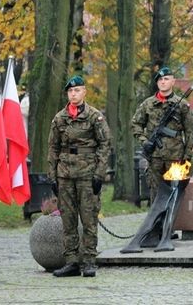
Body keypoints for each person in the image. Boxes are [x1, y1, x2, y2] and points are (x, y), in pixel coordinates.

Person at [48, 75, 111, 278]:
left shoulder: (95, 117)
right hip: (65, 174)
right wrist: (52, 177)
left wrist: (100, 174)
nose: (73, 94)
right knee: (68, 219)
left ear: (84, 92)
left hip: (87, 173)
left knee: (89, 218)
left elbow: (104, 145)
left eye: (77, 90)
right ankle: (72, 262)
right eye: (70, 91)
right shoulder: (60, 118)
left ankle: (89, 261)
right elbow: (53, 148)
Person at [132, 67, 193, 203]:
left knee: (175, 196)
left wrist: (186, 156)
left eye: (166, 79)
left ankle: (173, 224)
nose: (163, 82)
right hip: (154, 158)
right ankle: (157, 224)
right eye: (160, 79)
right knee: (155, 197)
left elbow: (190, 131)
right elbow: (135, 125)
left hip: (175, 158)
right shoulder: (147, 104)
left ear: (173, 81)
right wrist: (144, 142)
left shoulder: (182, 105)